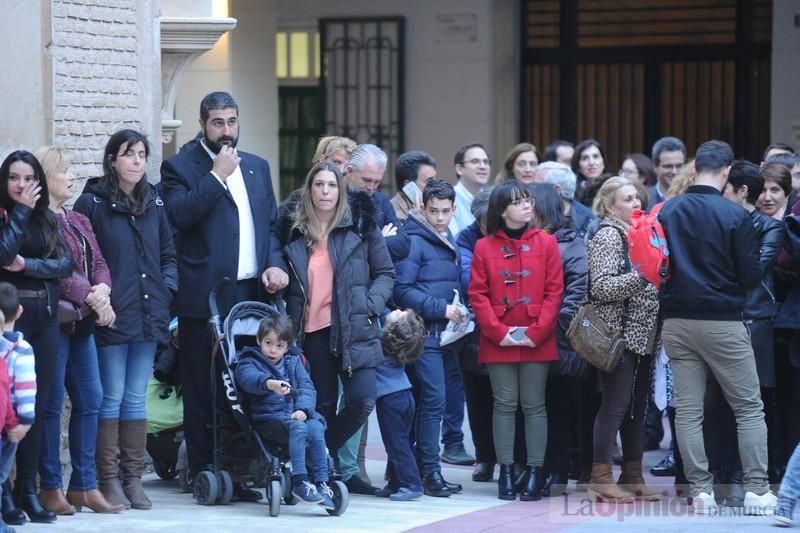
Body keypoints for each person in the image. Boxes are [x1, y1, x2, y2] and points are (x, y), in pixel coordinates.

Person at [161, 91, 287, 499]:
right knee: (204, 386)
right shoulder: (179, 167)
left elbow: (269, 225)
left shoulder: (257, 166)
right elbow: (179, 216)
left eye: (232, 121)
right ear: (202, 124)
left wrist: (273, 264)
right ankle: (203, 469)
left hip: (252, 293)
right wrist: (215, 175)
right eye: (218, 123)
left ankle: (240, 464)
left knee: (248, 382)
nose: (226, 131)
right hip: (205, 298)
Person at [658, 140, 774, 515]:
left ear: (694, 169)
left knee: (688, 410)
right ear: (726, 172)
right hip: (723, 320)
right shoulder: (734, 215)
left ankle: (700, 491)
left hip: (675, 320)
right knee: (748, 408)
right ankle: (757, 490)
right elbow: (752, 275)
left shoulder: (668, 210)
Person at [74, 129, 177, 511]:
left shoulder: (155, 202)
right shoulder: (92, 203)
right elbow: (83, 258)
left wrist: (167, 288)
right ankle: (109, 480)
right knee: (111, 397)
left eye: (141, 154)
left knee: (136, 398)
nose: (136, 160)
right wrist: (100, 298)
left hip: (150, 314)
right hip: (111, 316)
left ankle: (133, 479)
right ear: (112, 160)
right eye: (128, 154)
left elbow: (168, 254)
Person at [283, 162, 394, 488]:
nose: (326, 191)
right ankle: (320, 470)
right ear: (310, 189)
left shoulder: (360, 227)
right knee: (323, 406)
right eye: (319, 185)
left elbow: (386, 273)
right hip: (312, 332)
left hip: (355, 327)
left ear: (341, 190)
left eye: (332, 185)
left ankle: (319, 452)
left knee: (362, 399)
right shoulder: (294, 231)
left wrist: (370, 305)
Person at [33, 146, 123, 515]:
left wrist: (102, 290)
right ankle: (49, 486)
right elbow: (58, 269)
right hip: (54, 325)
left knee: (92, 399)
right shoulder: (35, 223)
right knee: (52, 405)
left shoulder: (77, 218)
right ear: (46, 176)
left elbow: (99, 261)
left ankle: (84, 485)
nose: (72, 175)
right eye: (65, 169)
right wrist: (95, 298)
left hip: (83, 324)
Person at [469, 182, 564, 501]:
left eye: (528, 200)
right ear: (502, 209)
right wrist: (498, 332)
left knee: (535, 404)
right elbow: (477, 294)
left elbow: (555, 292)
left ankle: (535, 472)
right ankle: (506, 473)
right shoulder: (484, 246)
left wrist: (536, 331)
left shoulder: (547, 242)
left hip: (538, 335)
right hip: (498, 335)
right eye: (518, 201)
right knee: (505, 404)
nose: (526, 205)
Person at [0, 151, 72, 524]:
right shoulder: (6, 215)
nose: (22, 186)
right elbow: (2, 253)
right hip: (10, 324)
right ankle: (5, 493)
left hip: (45, 319)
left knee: (37, 407)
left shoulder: (47, 217)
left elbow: (65, 264)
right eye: (14, 177)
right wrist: (22, 212)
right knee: (6, 409)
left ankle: (29, 489)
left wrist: (27, 266)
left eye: (29, 179)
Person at [584, 177, 661, 504]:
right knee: (615, 405)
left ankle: (633, 475)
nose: (636, 203)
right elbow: (600, 287)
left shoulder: (641, 232)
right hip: (618, 334)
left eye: (637, 197)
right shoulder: (608, 235)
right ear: (609, 205)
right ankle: (600, 477)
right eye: (627, 198)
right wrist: (642, 274)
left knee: (637, 409)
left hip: (645, 335)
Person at [394, 179, 466, 497]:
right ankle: (429, 473)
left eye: (445, 211)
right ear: (422, 206)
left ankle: (412, 472)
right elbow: (401, 290)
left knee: (428, 402)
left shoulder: (444, 237)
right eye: (433, 210)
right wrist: (443, 308)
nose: (439, 217)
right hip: (424, 335)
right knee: (432, 403)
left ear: (453, 210)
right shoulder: (413, 239)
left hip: (442, 335)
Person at [235, 313, 335, 509]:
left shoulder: (293, 362)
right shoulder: (249, 360)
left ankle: (322, 482)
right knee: (299, 428)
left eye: (279, 346)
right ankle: (300, 481)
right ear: (259, 340)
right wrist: (269, 384)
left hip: (293, 416)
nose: (272, 350)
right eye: (268, 343)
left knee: (315, 425)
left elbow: (307, 388)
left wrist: (303, 409)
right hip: (269, 421)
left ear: (287, 347)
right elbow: (248, 379)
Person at [529, 184, 589, 497]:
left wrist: (547, 328)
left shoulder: (571, 243)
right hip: (529, 342)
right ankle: (536, 469)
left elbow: (576, 294)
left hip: (559, 343)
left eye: (529, 204)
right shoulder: (522, 242)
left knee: (559, 410)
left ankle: (557, 470)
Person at [455, 188, 499, 483]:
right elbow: (468, 277)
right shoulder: (466, 238)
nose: (489, 227)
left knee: (508, 399)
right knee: (478, 397)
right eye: (484, 222)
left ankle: (512, 458)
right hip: (474, 329)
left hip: (509, 324)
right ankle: (484, 458)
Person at [375, 308, 425, 501]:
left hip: (390, 401)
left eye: (398, 314)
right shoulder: (398, 344)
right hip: (404, 396)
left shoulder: (380, 342)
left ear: (393, 328)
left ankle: (412, 484)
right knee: (400, 443)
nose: (395, 309)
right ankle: (396, 482)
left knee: (396, 444)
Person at [0, 283, 35, 528]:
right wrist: (26, 421)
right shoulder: (21, 350)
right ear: (20, 311)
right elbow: (24, 388)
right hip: (8, 425)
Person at [278, 136, 357, 244]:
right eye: (336, 162)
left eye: (348, 165)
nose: (342, 170)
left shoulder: (359, 204)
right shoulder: (295, 204)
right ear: (322, 161)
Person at [536, 162, 595, 240]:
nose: (531, 190)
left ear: (556, 190)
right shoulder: (529, 215)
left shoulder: (588, 221)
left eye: (538, 186)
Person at [449, 143, 492, 237]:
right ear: (459, 169)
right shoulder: (448, 198)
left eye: (486, 162)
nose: (483, 166)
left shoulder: (493, 199)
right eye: (475, 161)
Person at [390, 150, 437, 223]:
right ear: (409, 185)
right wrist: (419, 218)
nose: (435, 186)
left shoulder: (433, 208)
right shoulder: (395, 216)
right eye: (429, 181)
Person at [647, 137, 687, 211]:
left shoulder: (693, 198)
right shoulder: (645, 200)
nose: (674, 171)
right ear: (655, 167)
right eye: (668, 166)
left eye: (679, 166)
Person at [572, 139, 608, 207]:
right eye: (585, 158)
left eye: (595, 156)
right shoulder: (571, 190)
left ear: (603, 162)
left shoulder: (615, 186)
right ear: (578, 166)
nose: (591, 162)